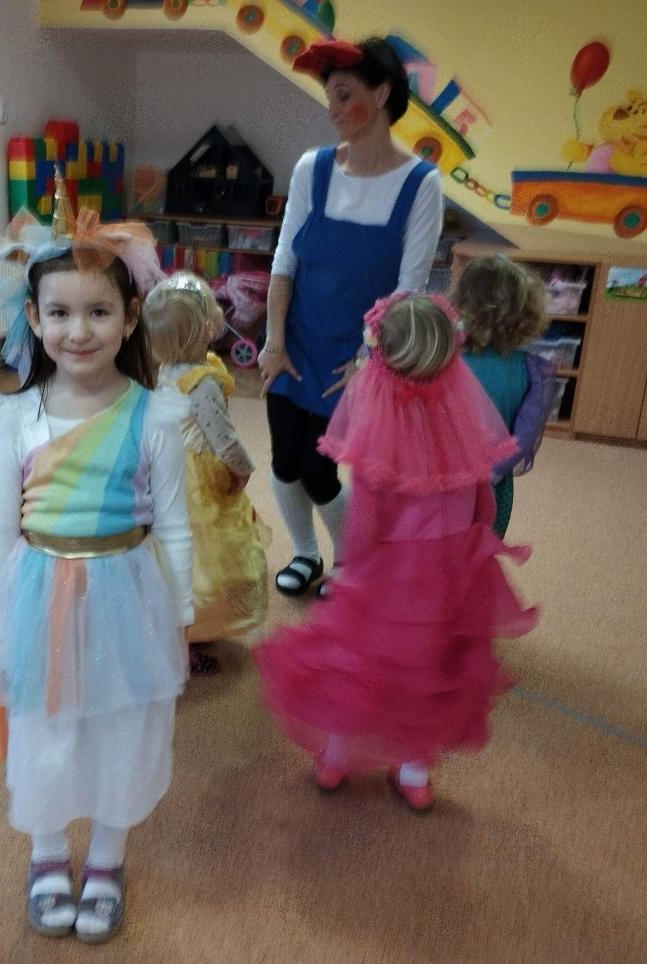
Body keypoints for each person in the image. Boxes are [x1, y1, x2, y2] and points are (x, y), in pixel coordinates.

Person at [0, 205, 189, 943]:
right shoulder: (15, 421)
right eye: (60, 313)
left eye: (98, 312)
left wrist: (180, 620)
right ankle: (45, 856)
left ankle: (105, 861)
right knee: (45, 728)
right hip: (39, 599)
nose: (79, 330)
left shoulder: (155, 416)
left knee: (120, 729)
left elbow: (175, 530)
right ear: (34, 319)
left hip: (128, 595)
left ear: (130, 319)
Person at [254, 293, 537, 810]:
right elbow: (483, 498)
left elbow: (366, 514)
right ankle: (413, 772)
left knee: (358, 665)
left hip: (388, 576)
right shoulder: (461, 419)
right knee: (431, 671)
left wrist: (352, 569)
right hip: (447, 572)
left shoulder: (382, 428)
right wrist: (477, 542)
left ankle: (336, 757)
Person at [259, 35, 444, 599]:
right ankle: (305, 553)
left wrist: (368, 362)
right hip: (295, 344)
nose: (333, 110)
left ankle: (352, 562)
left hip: (360, 358)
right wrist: (273, 342)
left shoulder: (421, 183)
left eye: (344, 96)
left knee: (320, 470)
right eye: (330, 98)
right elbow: (284, 263)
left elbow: (409, 293)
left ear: (381, 94)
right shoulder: (312, 169)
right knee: (285, 462)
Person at [142, 272, 270, 675]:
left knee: (177, 557)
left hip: (169, 472)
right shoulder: (202, 384)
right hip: (196, 482)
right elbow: (224, 440)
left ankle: (184, 628)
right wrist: (244, 470)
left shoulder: (168, 371)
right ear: (206, 328)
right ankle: (184, 640)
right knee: (203, 558)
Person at [454, 255, 558, 536]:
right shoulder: (530, 369)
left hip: (440, 481)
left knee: (436, 549)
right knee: (480, 549)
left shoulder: (443, 358)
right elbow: (525, 435)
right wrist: (491, 475)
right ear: (525, 313)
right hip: (493, 482)